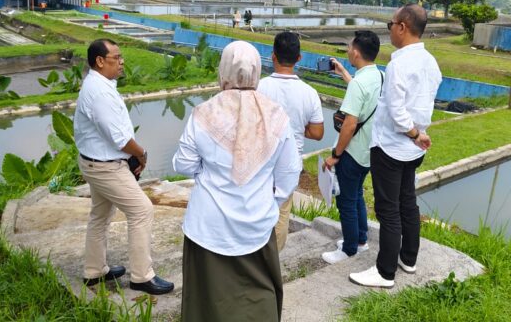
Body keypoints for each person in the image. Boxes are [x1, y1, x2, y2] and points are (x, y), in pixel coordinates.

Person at [173, 41, 301, 322]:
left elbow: (183, 163)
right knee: (258, 292)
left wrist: (207, 172)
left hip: (208, 227)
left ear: (223, 71)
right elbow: (290, 172)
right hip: (256, 224)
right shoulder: (275, 115)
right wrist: (269, 200)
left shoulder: (204, 113)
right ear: (257, 70)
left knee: (207, 300)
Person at [349, 4, 442, 288]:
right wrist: (418, 134)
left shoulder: (399, 64)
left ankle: (385, 271)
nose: (389, 29)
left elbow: (397, 110)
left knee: (388, 209)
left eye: (391, 24)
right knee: (406, 202)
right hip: (413, 149)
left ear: (402, 26)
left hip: (392, 146)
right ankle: (408, 259)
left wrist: (413, 132)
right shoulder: (430, 62)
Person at [74, 39, 174, 295]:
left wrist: (129, 158)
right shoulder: (99, 93)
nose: (122, 62)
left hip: (97, 162)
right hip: (105, 167)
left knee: (100, 215)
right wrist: (141, 154)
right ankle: (142, 276)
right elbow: (119, 138)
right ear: (100, 61)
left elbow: (112, 137)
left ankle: (94, 271)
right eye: (116, 57)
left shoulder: (98, 85)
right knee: (142, 210)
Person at [257, 31, 324, 251]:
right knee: (281, 214)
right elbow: (317, 132)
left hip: (259, 161)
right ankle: (271, 263)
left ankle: (252, 256)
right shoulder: (309, 93)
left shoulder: (259, 88)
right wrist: (295, 126)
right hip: (289, 165)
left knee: (255, 209)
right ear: (299, 58)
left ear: (272, 55)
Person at [320, 30, 383, 264]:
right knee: (357, 194)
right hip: (368, 152)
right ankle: (361, 240)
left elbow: (349, 124)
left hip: (352, 152)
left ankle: (348, 249)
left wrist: (336, 155)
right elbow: (363, 93)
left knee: (346, 200)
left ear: (356, 52)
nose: (347, 51)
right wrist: (345, 74)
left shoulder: (358, 84)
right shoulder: (379, 76)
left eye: (349, 47)